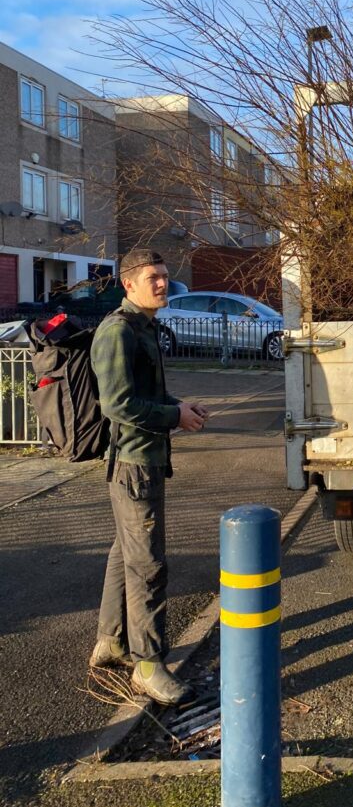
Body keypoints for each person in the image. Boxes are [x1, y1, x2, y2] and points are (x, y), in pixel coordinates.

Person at [88, 250, 209, 705]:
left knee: (126, 553)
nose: (162, 284)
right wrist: (173, 417)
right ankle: (149, 666)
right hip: (133, 463)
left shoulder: (143, 326)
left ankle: (111, 642)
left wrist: (181, 407)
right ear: (129, 285)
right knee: (148, 566)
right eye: (152, 278)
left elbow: (148, 395)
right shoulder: (117, 331)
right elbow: (117, 405)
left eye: (164, 276)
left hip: (146, 458)